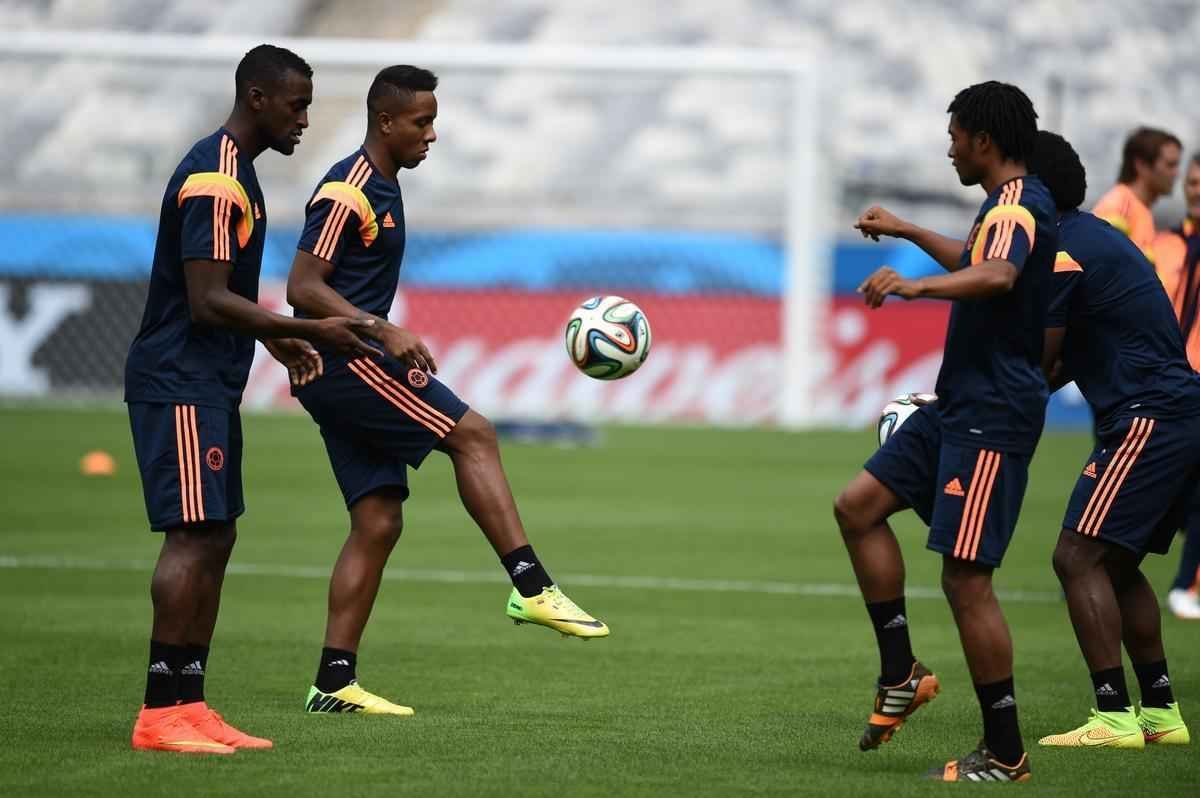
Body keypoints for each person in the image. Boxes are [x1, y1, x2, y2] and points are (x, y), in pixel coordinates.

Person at [284, 65, 609, 716]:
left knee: (377, 521)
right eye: (421, 122)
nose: (433, 134)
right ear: (385, 122)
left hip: (338, 365)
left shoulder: (383, 185)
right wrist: (382, 328)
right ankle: (531, 585)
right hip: (348, 360)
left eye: (434, 120)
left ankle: (334, 681)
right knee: (474, 433)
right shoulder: (348, 189)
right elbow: (301, 286)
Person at [124, 45, 381, 754]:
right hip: (179, 378)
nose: (305, 119)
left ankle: (190, 700)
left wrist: (273, 340)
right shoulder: (216, 180)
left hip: (207, 380)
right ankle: (158, 711)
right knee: (192, 534)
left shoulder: (238, 174)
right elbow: (206, 301)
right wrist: (303, 326)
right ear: (258, 97)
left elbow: (224, 298)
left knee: (217, 531)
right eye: (297, 105)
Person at [838, 80, 1057, 782]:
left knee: (967, 579)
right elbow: (975, 260)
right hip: (960, 402)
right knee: (858, 508)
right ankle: (902, 673)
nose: (950, 148)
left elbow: (995, 277)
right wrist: (906, 231)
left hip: (994, 412)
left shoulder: (1020, 204)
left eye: (956, 136)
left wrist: (910, 285)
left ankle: (1005, 752)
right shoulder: (999, 207)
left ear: (983, 142)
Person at [1029, 130, 1194, 748]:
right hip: (1177, 411)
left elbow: (1041, 364)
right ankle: (1161, 714)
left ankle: (1113, 717)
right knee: (1117, 564)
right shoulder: (1095, 239)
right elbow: (1070, 358)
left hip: (1149, 415)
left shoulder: (1063, 250)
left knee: (1076, 557)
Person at [1152, 154, 1200, 620]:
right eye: (1191, 181)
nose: (1196, 189)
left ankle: (1186, 583)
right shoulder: (1163, 245)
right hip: (1167, 381)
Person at [1092, 127, 1181, 264]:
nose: (1176, 173)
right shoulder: (1119, 205)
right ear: (1142, 165)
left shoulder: (1142, 212)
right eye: (1170, 165)